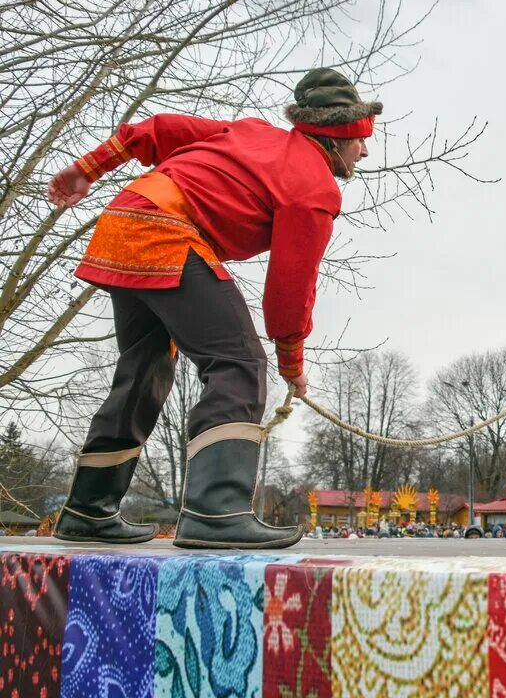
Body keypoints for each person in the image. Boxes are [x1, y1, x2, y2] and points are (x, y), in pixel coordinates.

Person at [48, 68, 378, 550]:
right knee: (238, 363)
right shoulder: (313, 189)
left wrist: (89, 168)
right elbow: (289, 291)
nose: (365, 152)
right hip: (163, 234)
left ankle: (87, 509)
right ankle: (215, 511)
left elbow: (157, 130)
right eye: (361, 140)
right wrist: (292, 363)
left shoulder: (250, 132)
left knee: (145, 368)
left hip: (122, 224)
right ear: (337, 137)